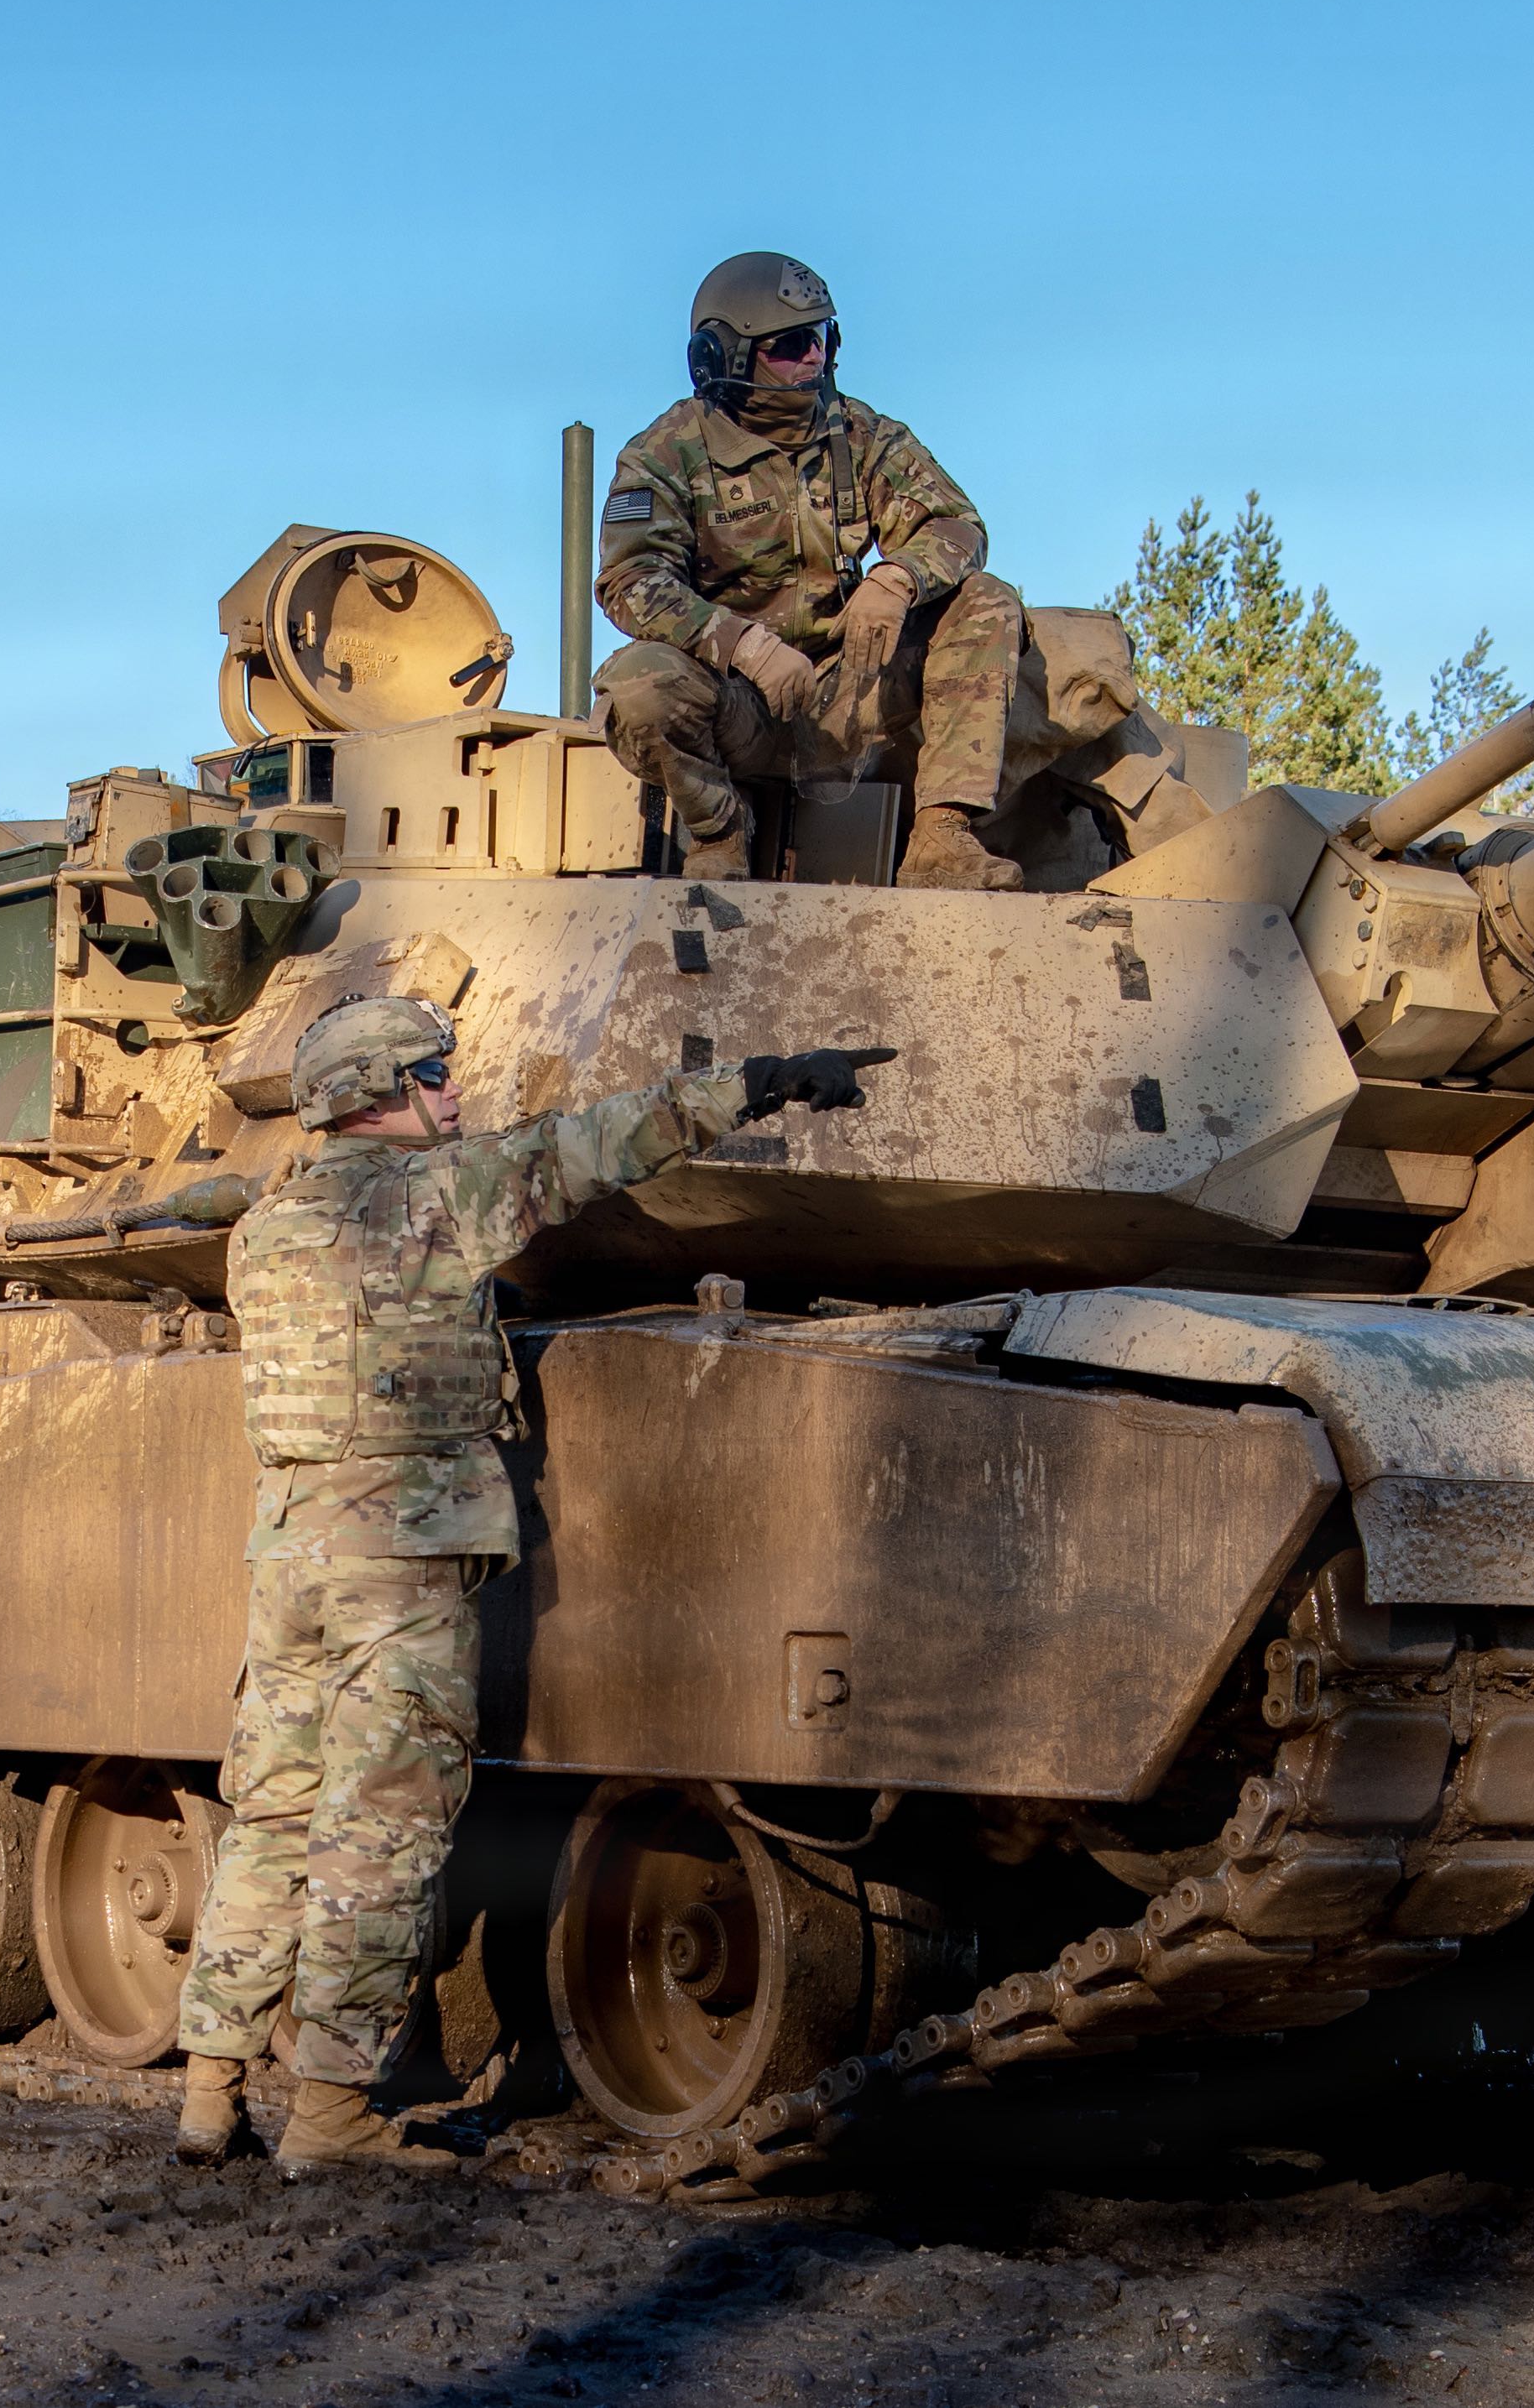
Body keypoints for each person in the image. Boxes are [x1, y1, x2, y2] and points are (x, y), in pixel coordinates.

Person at [173, 994, 891, 2176]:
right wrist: (760, 1078)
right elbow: (599, 1143)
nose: (454, 1094)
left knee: (274, 1817)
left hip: (291, 1548)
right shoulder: (437, 1195)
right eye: (435, 1074)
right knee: (379, 1828)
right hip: (398, 1558)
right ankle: (331, 2112)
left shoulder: (267, 1225)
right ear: (381, 1092)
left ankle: (209, 2091)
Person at [589, 250, 1031, 890]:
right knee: (637, 687)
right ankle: (721, 831)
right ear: (725, 359)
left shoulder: (859, 434)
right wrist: (743, 645)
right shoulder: (665, 454)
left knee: (986, 600)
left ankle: (941, 837)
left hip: (847, 690)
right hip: (735, 701)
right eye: (792, 343)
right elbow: (631, 580)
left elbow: (956, 525)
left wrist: (896, 578)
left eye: (823, 337)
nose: (814, 357)